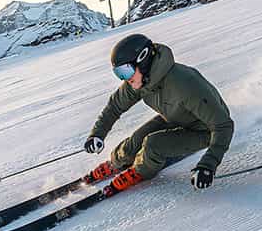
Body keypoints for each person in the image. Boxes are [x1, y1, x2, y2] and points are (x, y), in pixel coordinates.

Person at [84, 33, 234, 196]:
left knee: (153, 146)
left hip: (205, 130)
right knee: (135, 141)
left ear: (143, 60)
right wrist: (97, 134)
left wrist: (208, 165)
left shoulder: (185, 83)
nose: (125, 79)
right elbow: (115, 106)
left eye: (126, 71)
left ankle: (139, 171)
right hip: (177, 116)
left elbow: (223, 125)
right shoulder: (141, 81)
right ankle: (117, 162)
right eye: (119, 73)